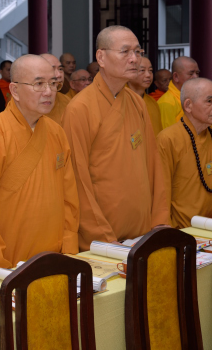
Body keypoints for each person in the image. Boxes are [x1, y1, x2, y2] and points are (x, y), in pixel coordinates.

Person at [62, 25, 168, 250]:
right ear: (101, 57)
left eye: (138, 52)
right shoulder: (79, 108)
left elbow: (154, 163)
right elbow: (77, 179)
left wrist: (159, 220)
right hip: (105, 234)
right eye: (125, 51)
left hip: (142, 230)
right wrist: (102, 236)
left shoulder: (137, 102)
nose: (135, 59)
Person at [0, 55, 79, 268]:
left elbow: (69, 197)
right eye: (39, 84)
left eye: (53, 83)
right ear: (14, 90)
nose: (48, 92)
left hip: (56, 255)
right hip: (10, 261)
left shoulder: (56, 132)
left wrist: (69, 247)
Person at [157, 78, 212, 228]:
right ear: (188, 105)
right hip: (184, 227)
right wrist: (165, 227)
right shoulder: (168, 139)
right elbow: (162, 190)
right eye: (209, 101)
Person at [158, 56, 200, 129]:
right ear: (176, 77)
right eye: (191, 74)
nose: (196, 77)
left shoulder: (193, 97)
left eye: (197, 73)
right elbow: (169, 134)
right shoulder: (167, 103)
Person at [128, 57, 163, 136]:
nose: (148, 75)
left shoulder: (152, 102)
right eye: (142, 70)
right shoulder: (120, 100)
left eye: (150, 70)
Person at [41, 53, 71, 126]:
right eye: (52, 69)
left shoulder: (68, 101)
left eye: (60, 69)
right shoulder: (26, 102)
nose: (59, 75)